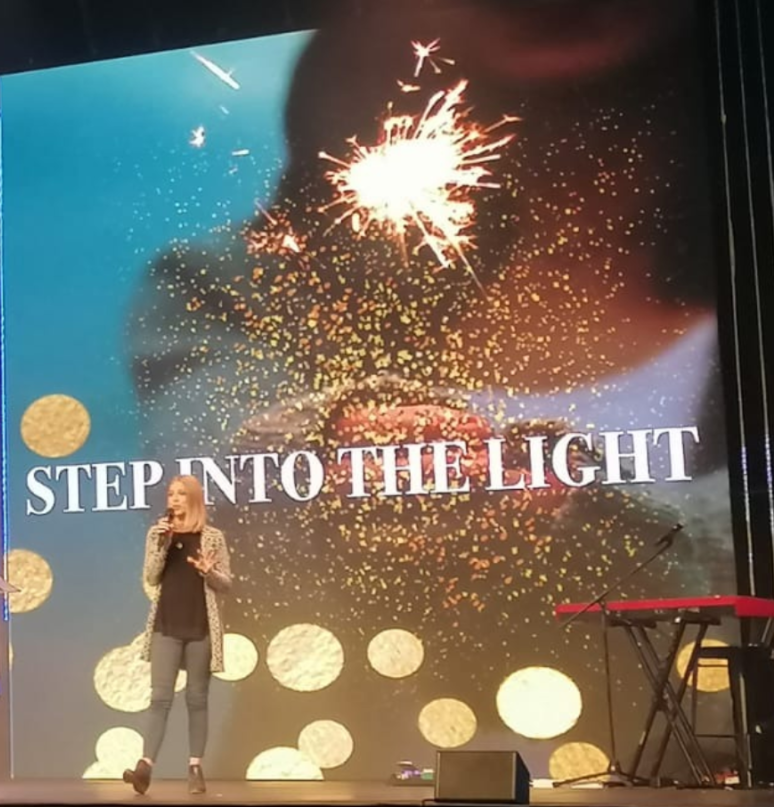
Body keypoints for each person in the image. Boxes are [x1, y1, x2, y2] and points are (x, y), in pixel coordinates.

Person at [126, 0, 733, 779]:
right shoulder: (237, 284)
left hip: (675, 771)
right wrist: (337, 447)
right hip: (338, 776)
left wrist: (579, 497)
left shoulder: (741, 265)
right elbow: (209, 491)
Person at [123, 475, 232, 795]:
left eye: (181, 494)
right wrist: (163, 544)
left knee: (196, 699)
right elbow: (151, 576)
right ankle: (145, 768)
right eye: (171, 493)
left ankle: (195, 768)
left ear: (193, 499)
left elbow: (226, 583)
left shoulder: (212, 537)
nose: (174, 499)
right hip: (166, 626)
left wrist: (209, 572)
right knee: (160, 698)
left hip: (200, 627)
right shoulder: (157, 534)